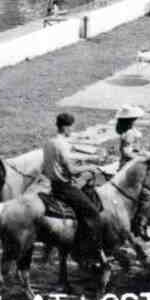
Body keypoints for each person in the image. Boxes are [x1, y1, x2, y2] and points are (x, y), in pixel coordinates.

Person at [40, 113, 108, 265]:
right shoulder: (62, 144)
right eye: (71, 127)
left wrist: (88, 159)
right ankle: (90, 253)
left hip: (53, 185)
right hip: (65, 188)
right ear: (65, 127)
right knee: (93, 213)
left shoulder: (49, 142)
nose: (72, 130)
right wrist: (90, 167)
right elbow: (71, 170)